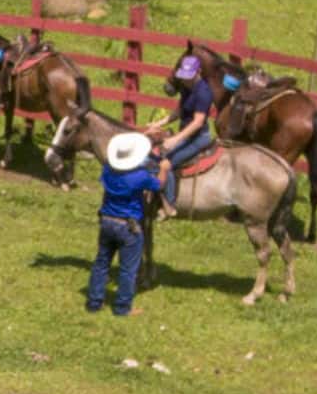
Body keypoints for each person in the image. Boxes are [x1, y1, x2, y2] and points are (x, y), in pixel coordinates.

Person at [89, 132, 161, 315]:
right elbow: (159, 184)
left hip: (107, 221)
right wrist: (166, 168)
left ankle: (94, 302)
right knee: (128, 268)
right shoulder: (140, 176)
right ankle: (122, 307)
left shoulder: (107, 170)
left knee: (101, 263)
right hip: (128, 226)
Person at [151, 52, 221, 171]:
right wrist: (158, 124)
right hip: (185, 135)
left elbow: (198, 122)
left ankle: (169, 190)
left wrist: (175, 139)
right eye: (184, 77)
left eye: (189, 77)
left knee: (166, 164)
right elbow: (179, 111)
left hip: (198, 138)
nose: (185, 80)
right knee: (155, 154)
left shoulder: (203, 92)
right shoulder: (186, 87)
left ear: (198, 72)